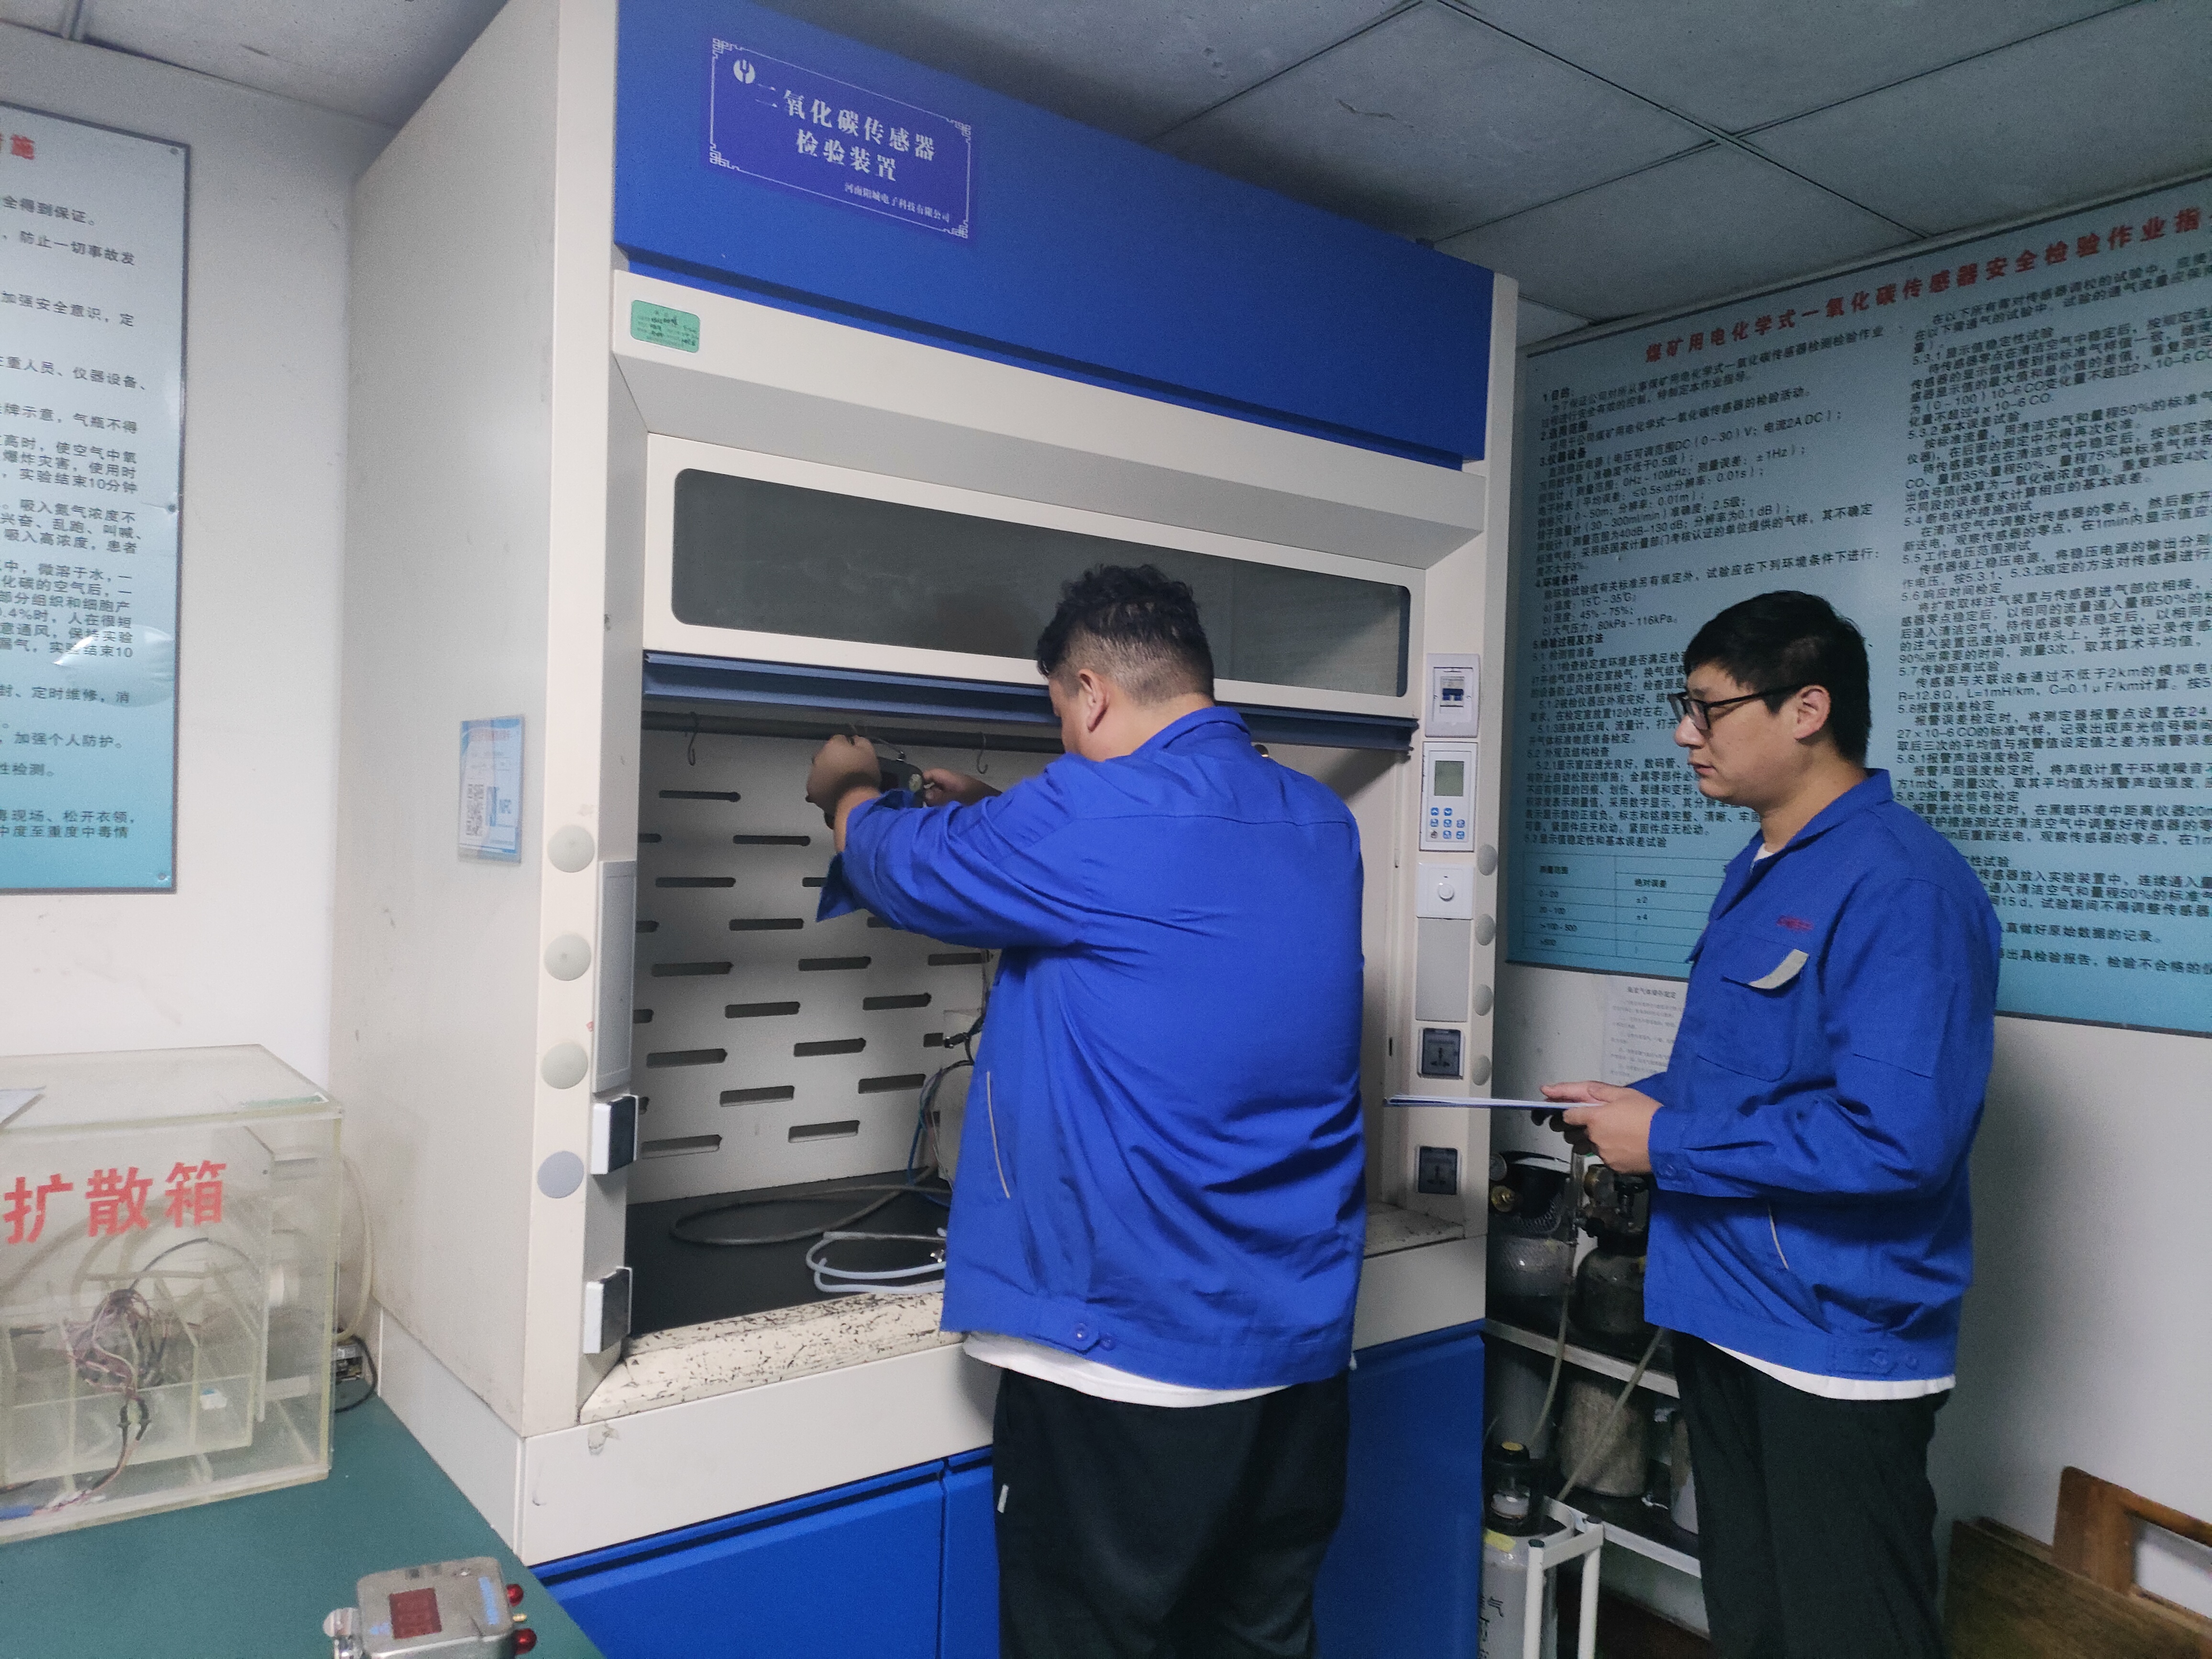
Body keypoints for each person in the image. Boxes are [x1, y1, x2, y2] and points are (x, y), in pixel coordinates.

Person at [802, 564, 1368, 1659]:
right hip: (1294, 1359)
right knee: (1257, 1640)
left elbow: (893, 865)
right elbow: (1147, 893)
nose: (1060, 738)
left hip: (1125, 1360)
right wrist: (999, 814)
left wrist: (848, 790)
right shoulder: (1316, 818)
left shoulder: (1086, 812)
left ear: (1093, 692)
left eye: (1059, 711)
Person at [1538, 591, 1999, 1659]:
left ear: (1806, 709)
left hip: (1830, 1344)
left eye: (1708, 708)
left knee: (1849, 1637)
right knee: (1753, 1626)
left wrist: (1666, 1143)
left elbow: (1898, 1141)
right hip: (1727, 1309)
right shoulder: (1765, 866)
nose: (1683, 733)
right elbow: (1753, 1074)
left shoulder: (1903, 887)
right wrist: (1632, 1105)